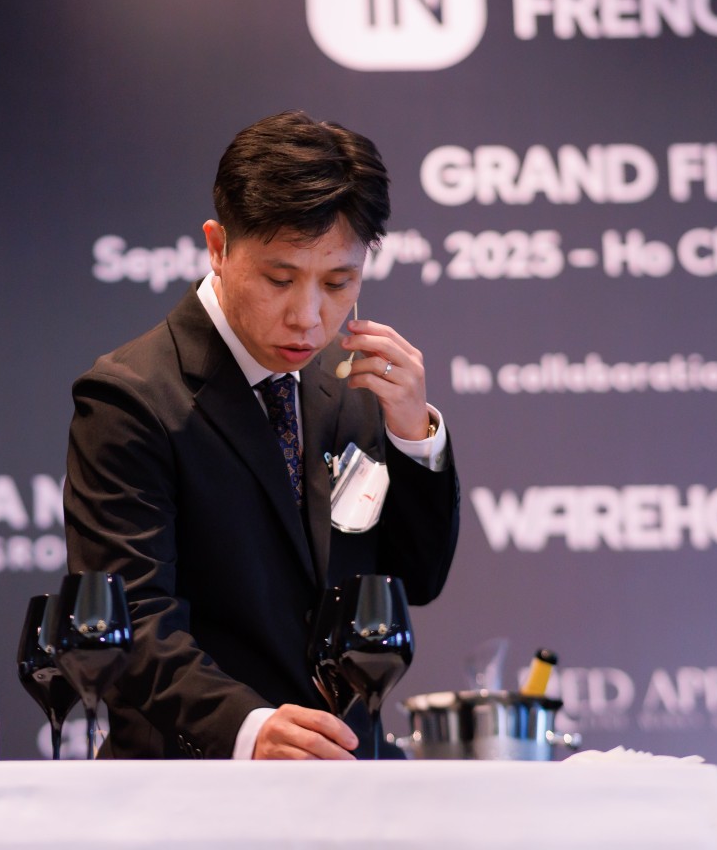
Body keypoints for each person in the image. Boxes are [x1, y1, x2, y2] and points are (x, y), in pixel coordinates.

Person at [64, 110, 459, 760]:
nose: (308, 317)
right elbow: (131, 619)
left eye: (339, 283)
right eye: (280, 279)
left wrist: (416, 436)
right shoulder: (131, 397)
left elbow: (416, 581)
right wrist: (249, 729)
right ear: (218, 247)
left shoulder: (355, 384)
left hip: (346, 771)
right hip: (194, 780)